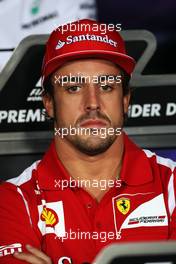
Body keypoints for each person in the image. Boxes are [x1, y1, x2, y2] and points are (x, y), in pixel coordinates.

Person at [0, 19, 175, 264]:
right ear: (48, 102)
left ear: (125, 99)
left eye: (106, 86)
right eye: (73, 88)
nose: (92, 102)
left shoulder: (172, 185)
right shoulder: (12, 201)